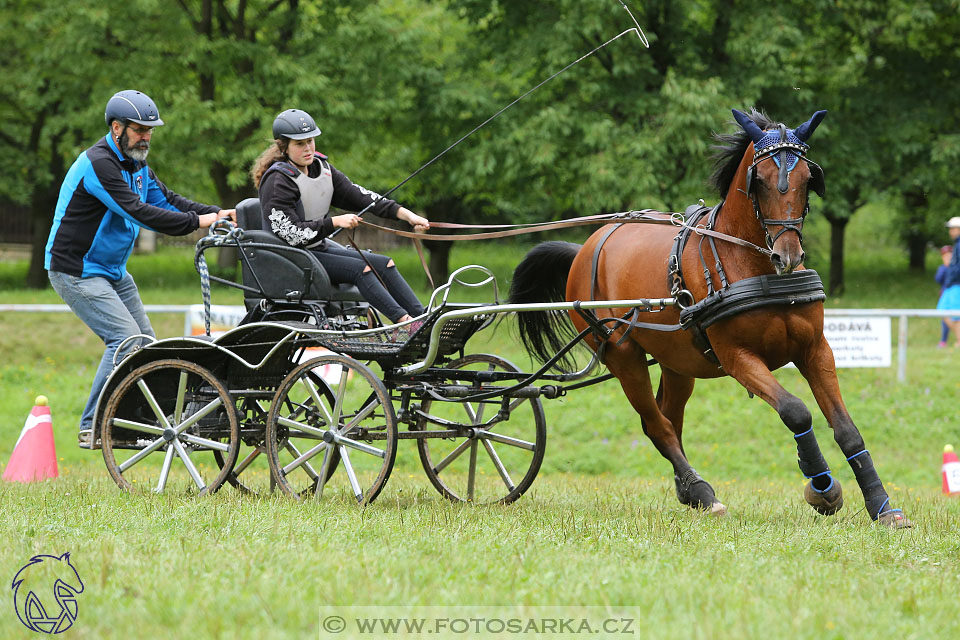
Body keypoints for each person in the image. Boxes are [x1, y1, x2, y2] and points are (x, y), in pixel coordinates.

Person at [45, 90, 236, 444]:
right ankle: (92, 424)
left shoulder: (136, 164)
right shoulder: (99, 163)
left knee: (147, 345)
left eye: (150, 130)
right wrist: (200, 221)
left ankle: (133, 422)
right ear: (116, 128)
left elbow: (168, 201)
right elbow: (140, 212)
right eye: (139, 129)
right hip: (75, 270)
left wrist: (218, 212)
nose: (146, 136)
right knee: (126, 341)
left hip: (112, 271)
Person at [250, 108, 429, 325]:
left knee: (384, 264)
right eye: (300, 144)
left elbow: (359, 195)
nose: (308, 148)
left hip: (316, 249)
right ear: (283, 146)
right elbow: (291, 234)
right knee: (360, 270)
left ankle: (423, 320)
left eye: (311, 141)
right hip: (291, 258)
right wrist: (333, 222)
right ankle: (407, 324)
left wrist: (406, 215)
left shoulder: (321, 168)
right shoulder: (278, 181)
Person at [937, 217, 960, 347]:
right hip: (952, 284)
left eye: (953, 228)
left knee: (956, 315)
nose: (950, 231)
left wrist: (953, 276)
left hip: (957, 283)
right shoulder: (957, 244)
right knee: (942, 310)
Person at [935, 244, 953, 347]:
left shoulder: (956, 268)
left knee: (956, 318)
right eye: (945, 256)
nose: (948, 258)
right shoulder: (942, 268)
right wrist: (945, 268)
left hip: (955, 295)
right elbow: (938, 279)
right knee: (944, 317)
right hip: (945, 295)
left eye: (950, 255)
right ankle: (943, 340)